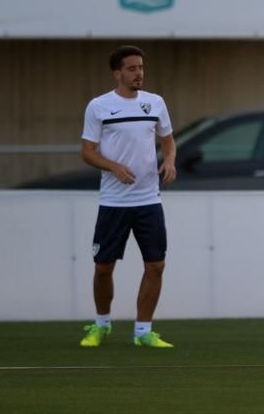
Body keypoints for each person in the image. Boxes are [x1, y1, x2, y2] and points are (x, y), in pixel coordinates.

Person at [78, 46, 177, 349]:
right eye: (132, 69)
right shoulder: (99, 106)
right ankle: (101, 324)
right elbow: (88, 152)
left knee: (156, 265)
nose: (139, 74)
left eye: (141, 68)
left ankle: (143, 332)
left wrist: (170, 160)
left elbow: (168, 141)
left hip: (149, 200)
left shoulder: (155, 103)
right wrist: (113, 166)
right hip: (113, 202)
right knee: (104, 267)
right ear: (117, 73)